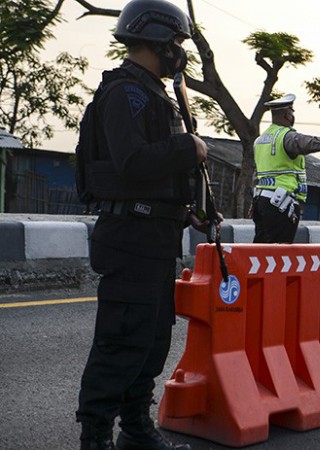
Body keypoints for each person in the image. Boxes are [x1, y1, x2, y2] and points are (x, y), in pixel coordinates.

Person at [75, 1, 210, 449]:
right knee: (121, 341)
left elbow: (153, 177)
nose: (179, 51)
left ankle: (136, 427)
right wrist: (187, 148)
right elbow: (131, 163)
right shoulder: (124, 92)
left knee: (151, 342)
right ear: (155, 38)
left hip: (155, 236)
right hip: (129, 237)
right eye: (176, 41)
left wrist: (186, 207)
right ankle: (95, 437)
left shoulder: (154, 92)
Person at [252, 94, 320, 243]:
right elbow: (302, 142)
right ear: (287, 115)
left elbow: (257, 173)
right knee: (279, 250)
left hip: (260, 201)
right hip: (280, 202)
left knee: (260, 248)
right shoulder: (286, 136)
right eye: (292, 112)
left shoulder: (260, 140)